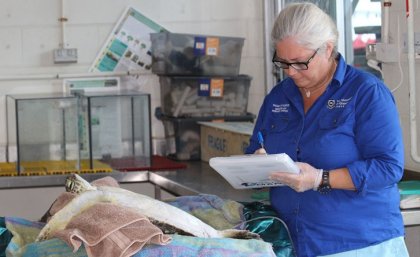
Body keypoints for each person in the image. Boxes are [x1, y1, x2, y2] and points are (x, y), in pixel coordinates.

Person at [245, 2, 410, 257]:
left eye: (300, 63)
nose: (290, 72)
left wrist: (320, 178)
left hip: (359, 244)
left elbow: (388, 167)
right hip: (294, 243)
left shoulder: (366, 93)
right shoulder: (279, 97)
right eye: (283, 63)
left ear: (328, 49)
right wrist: (256, 163)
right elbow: (256, 146)